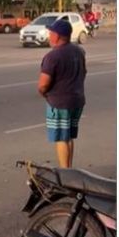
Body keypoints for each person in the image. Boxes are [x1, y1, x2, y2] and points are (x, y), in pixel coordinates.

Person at [38, 19, 87, 168]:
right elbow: (84, 73)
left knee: (61, 138)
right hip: (77, 101)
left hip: (59, 103)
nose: (49, 35)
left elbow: (44, 83)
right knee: (69, 137)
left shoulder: (53, 56)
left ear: (57, 36)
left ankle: (65, 173)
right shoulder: (79, 51)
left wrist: (43, 92)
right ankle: (69, 169)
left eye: (51, 32)